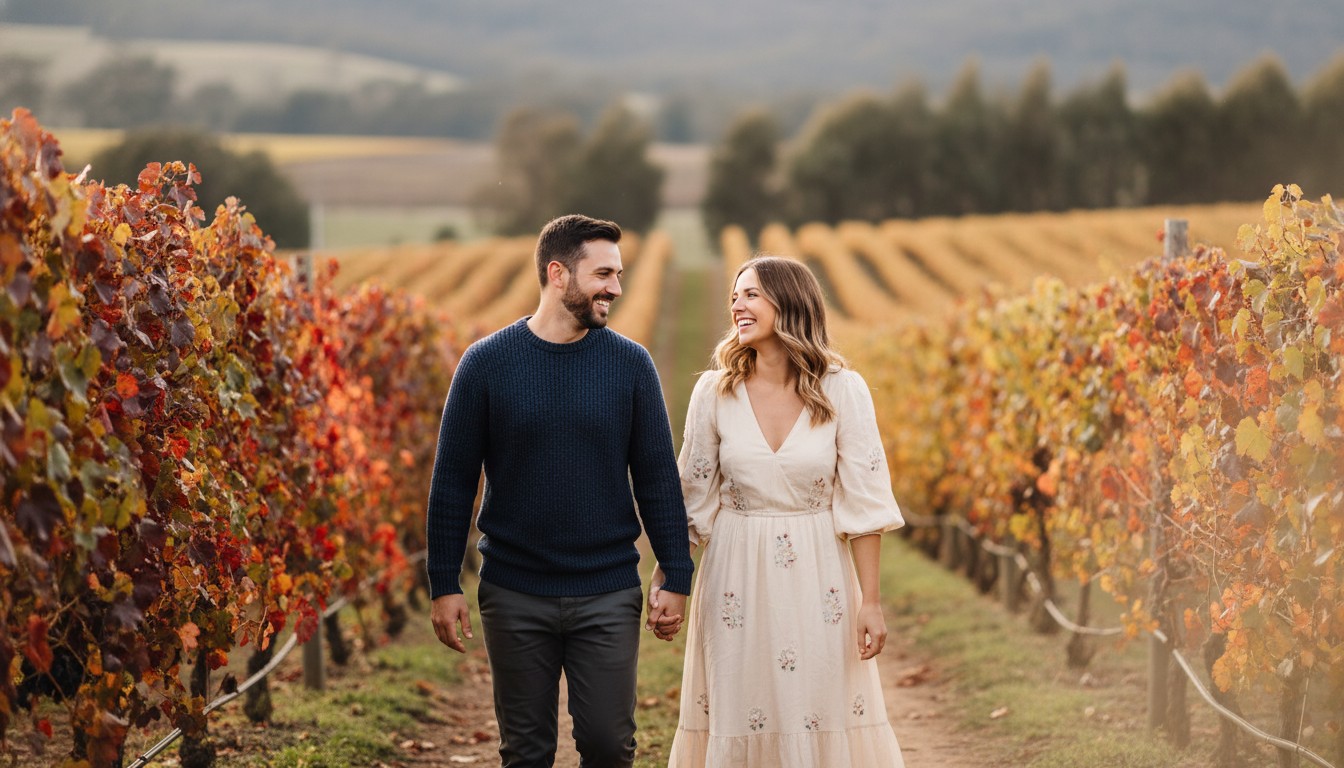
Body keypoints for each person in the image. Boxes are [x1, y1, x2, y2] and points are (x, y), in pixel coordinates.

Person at [426, 213, 695, 768]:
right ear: (558, 273)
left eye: (618, 275)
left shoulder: (631, 365)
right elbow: (453, 482)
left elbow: (656, 478)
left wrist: (676, 571)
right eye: (603, 274)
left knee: (607, 745)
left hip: (608, 590)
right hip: (513, 590)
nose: (616, 288)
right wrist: (443, 583)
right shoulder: (484, 364)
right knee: (525, 752)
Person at [652, 255, 906, 767]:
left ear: (788, 302)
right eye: (734, 296)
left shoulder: (842, 389)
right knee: (739, 703)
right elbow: (692, 499)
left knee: (815, 703)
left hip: (819, 578)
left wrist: (871, 602)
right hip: (734, 575)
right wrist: (668, 581)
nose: (737, 306)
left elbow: (864, 502)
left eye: (750, 295)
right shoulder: (714, 391)